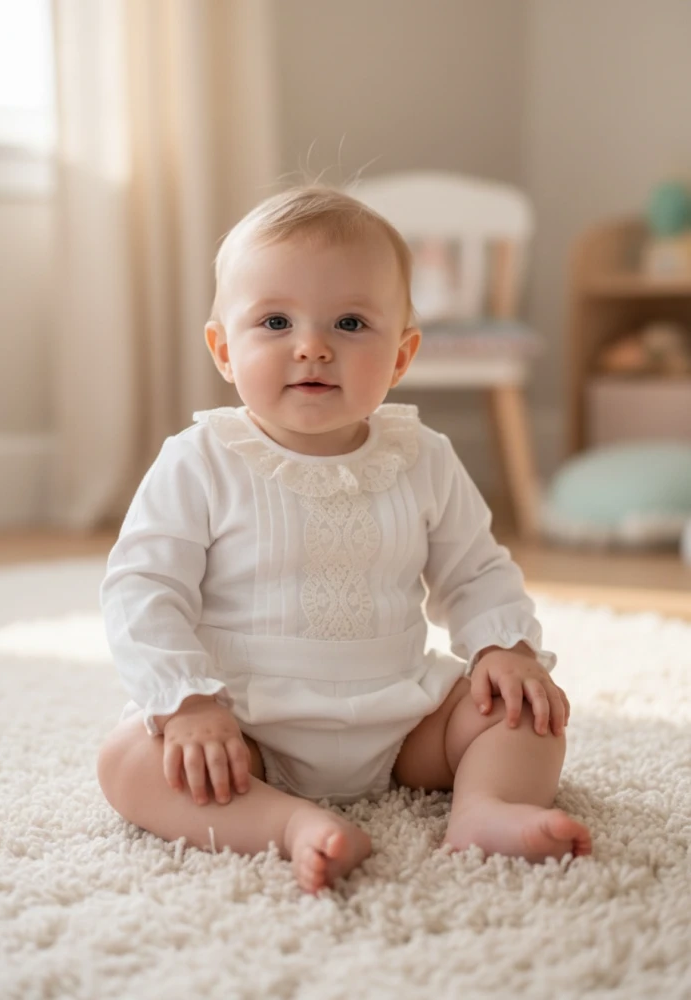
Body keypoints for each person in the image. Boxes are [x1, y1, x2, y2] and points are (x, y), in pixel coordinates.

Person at [97, 186, 592, 895]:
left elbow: (475, 569)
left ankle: (487, 809)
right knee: (128, 764)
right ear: (224, 350)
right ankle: (287, 824)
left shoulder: (422, 455)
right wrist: (187, 704)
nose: (312, 346)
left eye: (352, 323)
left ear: (400, 356)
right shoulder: (199, 459)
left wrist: (503, 649)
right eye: (274, 321)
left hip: (402, 717)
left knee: (526, 711)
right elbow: (143, 589)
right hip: (243, 727)